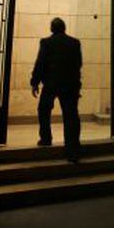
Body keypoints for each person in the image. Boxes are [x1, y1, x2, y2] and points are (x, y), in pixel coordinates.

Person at [30, 17, 82, 163]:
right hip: (70, 85)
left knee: (43, 110)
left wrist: (35, 82)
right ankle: (73, 150)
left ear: (52, 28)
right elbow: (78, 65)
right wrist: (77, 86)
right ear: (64, 28)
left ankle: (46, 138)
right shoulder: (75, 43)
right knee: (71, 116)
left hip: (51, 84)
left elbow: (40, 63)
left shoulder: (46, 42)